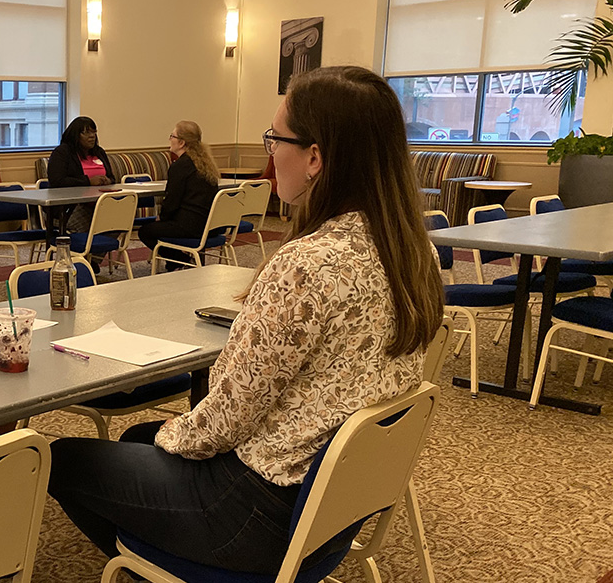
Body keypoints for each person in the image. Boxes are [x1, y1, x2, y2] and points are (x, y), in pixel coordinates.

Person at [46, 66, 445, 575]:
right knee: (140, 440)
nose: (270, 152)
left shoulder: (307, 264)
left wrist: (175, 436)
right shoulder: (414, 254)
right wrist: (170, 437)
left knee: (61, 458)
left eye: (275, 138)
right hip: (329, 512)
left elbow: (225, 419)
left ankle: (155, 568)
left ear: (316, 158)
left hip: (253, 511)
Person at [138, 120, 220, 270]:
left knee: (146, 231)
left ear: (181, 142)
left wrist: (161, 218)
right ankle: (176, 262)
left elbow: (172, 202)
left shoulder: (180, 166)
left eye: (172, 136)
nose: (170, 139)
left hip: (190, 226)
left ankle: (179, 260)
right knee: (160, 225)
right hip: (211, 225)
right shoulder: (206, 163)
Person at [47, 116, 114, 233]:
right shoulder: (62, 152)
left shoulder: (99, 152)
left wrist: (108, 180)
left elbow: (113, 178)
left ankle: (97, 250)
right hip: (72, 206)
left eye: (94, 132)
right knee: (95, 220)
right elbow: (57, 181)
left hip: (100, 202)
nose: (92, 136)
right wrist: (88, 181)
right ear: (75, 135)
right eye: (86, 133)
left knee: (118, 220)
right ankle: (87, 248)